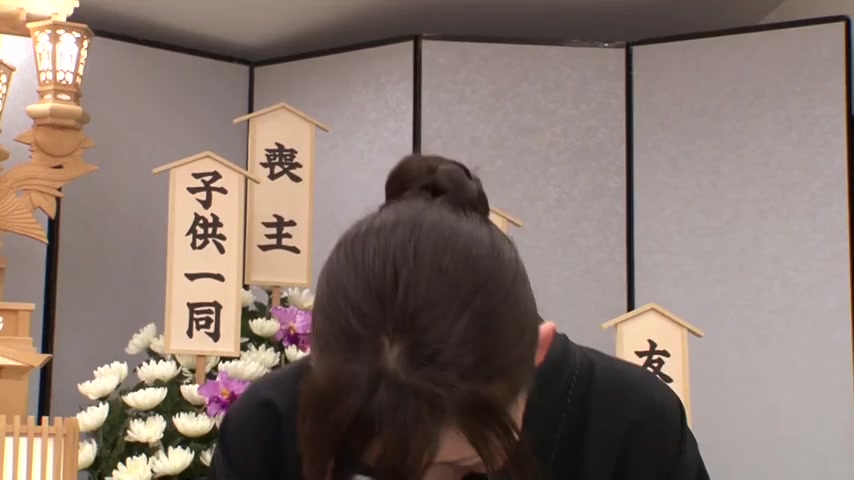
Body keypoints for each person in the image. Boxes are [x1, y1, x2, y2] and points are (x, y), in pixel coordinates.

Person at [209, 154, 710, 480]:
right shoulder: (269, 427)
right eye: (385, 469)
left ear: (535, 352)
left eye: (463, 469)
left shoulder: (632, 424)